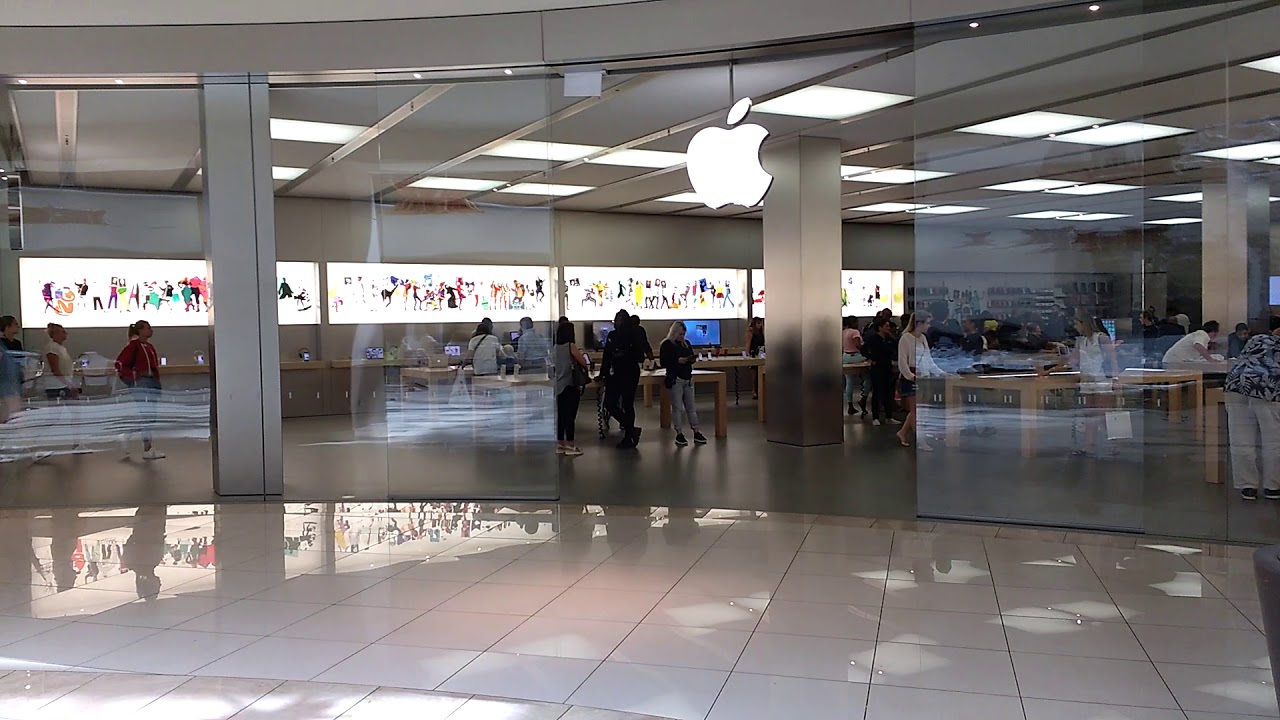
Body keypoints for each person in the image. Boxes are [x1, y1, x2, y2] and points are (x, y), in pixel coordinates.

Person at [1042, 313, 1120, 457]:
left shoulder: (1101, 338)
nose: (1075, 327)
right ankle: (1088, 446)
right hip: (1087, 379)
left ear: (1084, 323)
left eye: (1077, 323)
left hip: (1102, 378)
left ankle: (1113, 444)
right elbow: (1072, 361)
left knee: (1103, 414)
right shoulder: (1081, 341)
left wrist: (1115, 379)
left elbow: (1112, 359)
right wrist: (1052, 370)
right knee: (1090, 414)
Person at [1223, 315, 1280, 500]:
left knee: (1241, 438)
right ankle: (1273, 486)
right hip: (1268, 390)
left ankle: (1247, 486)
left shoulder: (1256, 340)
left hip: (1236, 386)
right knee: (1273, 439)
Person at [115, 320, 165, 459]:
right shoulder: (134, 346)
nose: (150, 330)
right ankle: (147, 448)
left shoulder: (149, 346)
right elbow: (120, 364)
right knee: (147, 415)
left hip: (151, 383)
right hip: (142, 384)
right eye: (147, 328)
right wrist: (134, 377)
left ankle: (127, 435)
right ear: (140, 331)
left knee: (150, 416)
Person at [600, 309, 644, 448]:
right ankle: (631, 429)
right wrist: (603, 373)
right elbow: (606, 355)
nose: (616, 323)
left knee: (627, 403)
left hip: (629, 373)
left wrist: (624, 355)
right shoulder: (612, 335)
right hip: (615, 374)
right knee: (610, 403)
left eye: (618, 320)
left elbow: (639, 356)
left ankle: (628, 435)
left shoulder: (633, 335)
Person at [896, 312, 941, 448]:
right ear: (919, 323)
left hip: (923, 377)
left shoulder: (923, 338)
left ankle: (903, 432)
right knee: (916, 411)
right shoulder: (905, 339)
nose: (928, 325)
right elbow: (902, 362)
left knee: (917, 410)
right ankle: (920, 442)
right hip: (912, 378)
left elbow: (929, 360)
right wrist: (911, 376)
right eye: (927, 322)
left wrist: (940, 373)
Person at [660, 321, 707, 447]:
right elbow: (663, 362)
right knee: (677, 408)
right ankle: (679, 433)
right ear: (674, 332)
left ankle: (696, 431)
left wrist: (689, 359)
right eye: (680, 334)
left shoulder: (686, 344)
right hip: (676, 378)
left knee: (691, 407)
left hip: (687, 377)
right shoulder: (667, 345)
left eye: (683, 334)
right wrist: (677, 361)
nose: (682, 336)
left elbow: (690, 357)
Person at [552, 320, 588, 457]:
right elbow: (582, 362)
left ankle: (560, 444)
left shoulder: (555, 347)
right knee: (570, 416)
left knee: (561, 415)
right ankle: (571, 445)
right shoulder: (571, 346)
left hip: (559, 385)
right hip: (570, 385)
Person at [862, 318, 897, 427]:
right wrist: (870, 358)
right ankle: (875, 417)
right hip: (877, 368)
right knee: (877, 393)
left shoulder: (889, 339)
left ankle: (889, 416)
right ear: (880, 327)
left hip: (887, 367)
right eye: (886, 326)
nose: (888, 328)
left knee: (888, 393)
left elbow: (894, 350)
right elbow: (863, 349)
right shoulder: (873, 339)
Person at [42, 323, 78, 401]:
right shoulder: (52, 348)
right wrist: (68, 384)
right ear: (55, 334)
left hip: (63, 383)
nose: (65, 334)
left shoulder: (61, 348)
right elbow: (55, 369)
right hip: (56, 386)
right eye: (63, 332)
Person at [842, 316, 867, 417]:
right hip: (856, 357)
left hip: (845, 356)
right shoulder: (855, 332)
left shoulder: (843, 332)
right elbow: (857, 344)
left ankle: (850, 405)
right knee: (867, 377)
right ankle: (864, 397)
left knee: (849, 381)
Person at [0, 316, 23, 421]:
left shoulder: (17, 343)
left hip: (15, 377)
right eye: (15, 324)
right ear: (7, 326)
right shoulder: (1, 343)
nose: (17, 326)